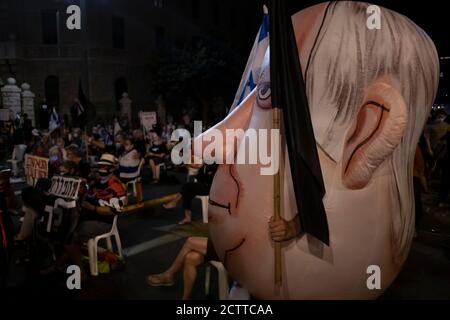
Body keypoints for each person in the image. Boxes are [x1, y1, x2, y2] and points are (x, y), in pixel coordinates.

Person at [66, 154, 126, 276]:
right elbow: (88, 194)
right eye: (100, 166)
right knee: (63, 229)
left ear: (112, 168)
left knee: (70, 236)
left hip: (104, 222)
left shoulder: (116, 185)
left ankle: (79, 272)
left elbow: (116, 210)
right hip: (88, 217)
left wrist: (93, 208)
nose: (102, 169)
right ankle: (65, 263)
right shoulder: (97, 182)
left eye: (105, 166)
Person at [147, 236, 218, 300]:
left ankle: (169, 274)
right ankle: (186, 298)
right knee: (190, 258)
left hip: (226, 246)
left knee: (190, 241)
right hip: (220, 240)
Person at [0, 169, 17, 289]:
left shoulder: (3, 187)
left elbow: (12, 204)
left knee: (6, 256)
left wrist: (8, 192)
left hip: (4, 224)